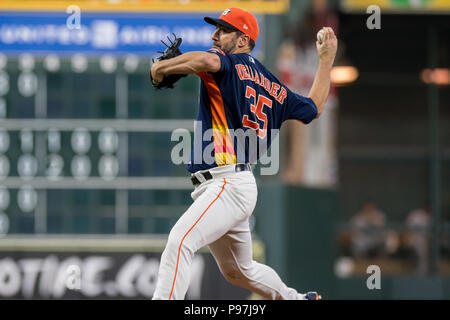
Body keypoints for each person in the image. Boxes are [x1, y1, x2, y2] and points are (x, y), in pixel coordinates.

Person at [150, 7, 337, 300]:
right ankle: (296, 299)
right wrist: (326, 61)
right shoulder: (275, 86)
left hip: (226, 184)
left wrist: (160, 68)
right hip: (236, 184)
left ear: (242, 40)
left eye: (223, 30)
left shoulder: (226, 62)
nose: (215, 35)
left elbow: (205, 60)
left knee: (180, 241)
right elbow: (314, 108)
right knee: (239, 271)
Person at [405, 206, 431, 274]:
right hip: (413, 237)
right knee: (420, 244)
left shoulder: (430, 217)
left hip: (424, 239)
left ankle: (422, 271)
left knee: (423, 244)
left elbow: (430, 234)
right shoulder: (416, 214)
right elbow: (408, 229)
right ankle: (420, 270)